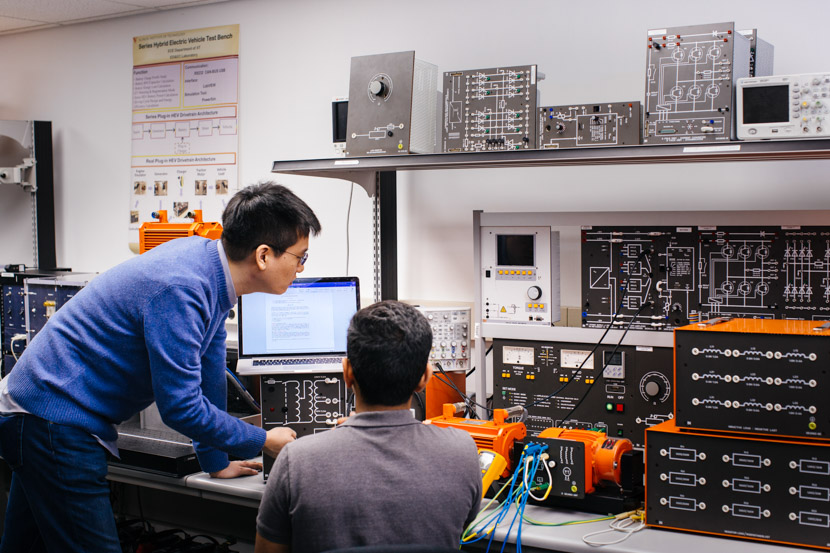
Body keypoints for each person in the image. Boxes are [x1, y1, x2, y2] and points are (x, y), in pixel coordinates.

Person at [0, 181, 318, 553]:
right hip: (52, 419)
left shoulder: (210, 271)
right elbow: (180, 408)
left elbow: (209, 375)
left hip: (39, 410)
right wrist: (263, 440)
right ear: (263, 255)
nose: (300, 268)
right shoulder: (183, 287)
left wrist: (216, 461)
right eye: (300, 257)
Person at [255, 300, 482, 553]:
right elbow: (462, 527)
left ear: (347, 372)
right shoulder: (462, 452)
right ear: (425, 377)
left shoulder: (296, 460)